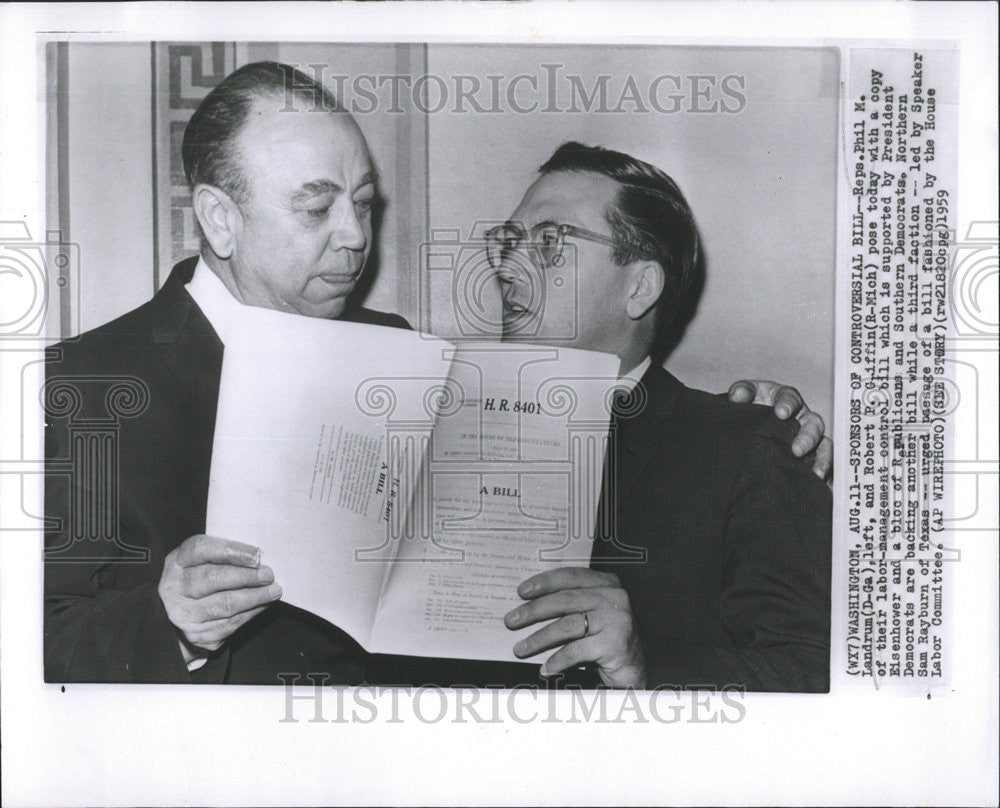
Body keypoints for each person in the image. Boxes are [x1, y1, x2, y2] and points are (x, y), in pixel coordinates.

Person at [44, 62, 828, 684]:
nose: (355, 237)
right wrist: (167, 621)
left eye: (363, 202)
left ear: (642, 283)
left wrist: (762, 421)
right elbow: (34, 654)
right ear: (220, 218)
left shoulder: (410, 360)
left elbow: (816, 671)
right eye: (317, 209)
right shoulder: (76, 387)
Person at [491, 143, 832, 691]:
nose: (508, 267)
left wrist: (647, 666)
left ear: (640, 288)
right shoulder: (443, 427)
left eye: (550, 241)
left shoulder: (744, 447)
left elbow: (813, 675)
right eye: (508, 241)